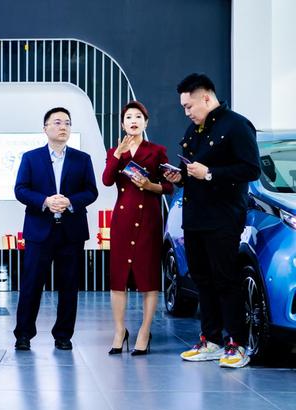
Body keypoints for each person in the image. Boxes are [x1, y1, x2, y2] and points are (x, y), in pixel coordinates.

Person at [164, 73, 260, 368]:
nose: (186, 112)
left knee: (225, 280)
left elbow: (251, 169)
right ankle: (211, 340)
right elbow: (190, 172)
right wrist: (179, 177)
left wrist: (209, 173)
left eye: (189, 106)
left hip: (223, 218)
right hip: (194, 217)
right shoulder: (193, 130)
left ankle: (237, 344)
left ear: (206, 97)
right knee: (202, 281)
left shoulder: (237, 125)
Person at [13, 107, 98, 351]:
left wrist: (70, 201)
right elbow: (21, 189)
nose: (63, 127)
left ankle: (63, 335)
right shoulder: (31, 158)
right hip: (39, 230)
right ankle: (23, 334)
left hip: (71, 232)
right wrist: (45, 201)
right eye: (58, 122)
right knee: (31, 284)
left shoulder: (82, 159)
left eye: (67, 123)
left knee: (69, 286)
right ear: (46, 128)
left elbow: (91, 191)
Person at [102, 101, 173, 356]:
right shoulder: (115, 151)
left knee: (148, 278)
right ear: (122, 124)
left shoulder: (157, 151)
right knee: (118, 279)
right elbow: (107, 180)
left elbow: (169, 186)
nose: (133, 121)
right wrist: (117, 155)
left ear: (146, 122)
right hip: (122, 220)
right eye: (129, 117)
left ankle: (144, 330)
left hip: (148, 220)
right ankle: (119, 330)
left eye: (138, 117)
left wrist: (149, 185)